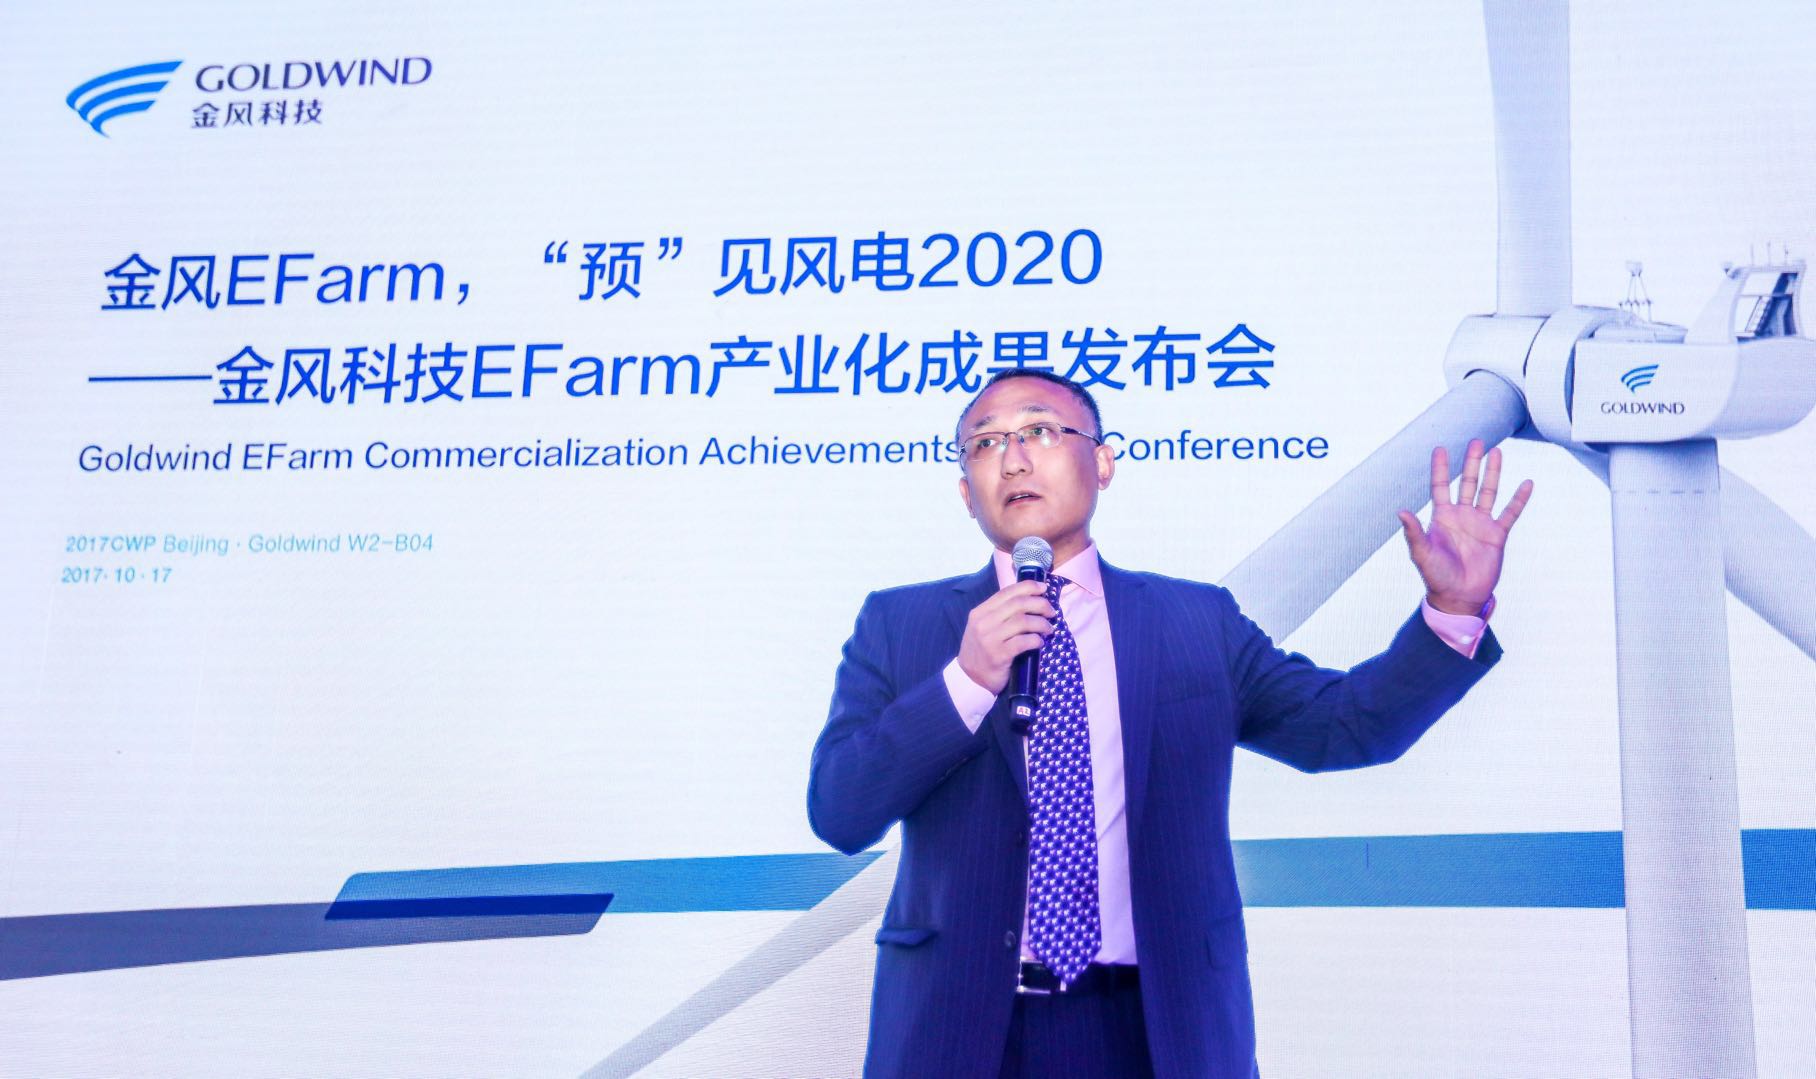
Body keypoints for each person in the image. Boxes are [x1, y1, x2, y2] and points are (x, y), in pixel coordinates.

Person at [807, 369, 1533, 1079]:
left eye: (1041, 431)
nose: (1015, 459)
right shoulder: (899, 624)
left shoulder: (1195, 620)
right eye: (986, 443)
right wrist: (965, 681)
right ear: (967, 492)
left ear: (1102, 463)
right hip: (959, 1031)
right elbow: (840, 811)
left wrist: (1454, 612)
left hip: (1157, 1030)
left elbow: (1344, 727)